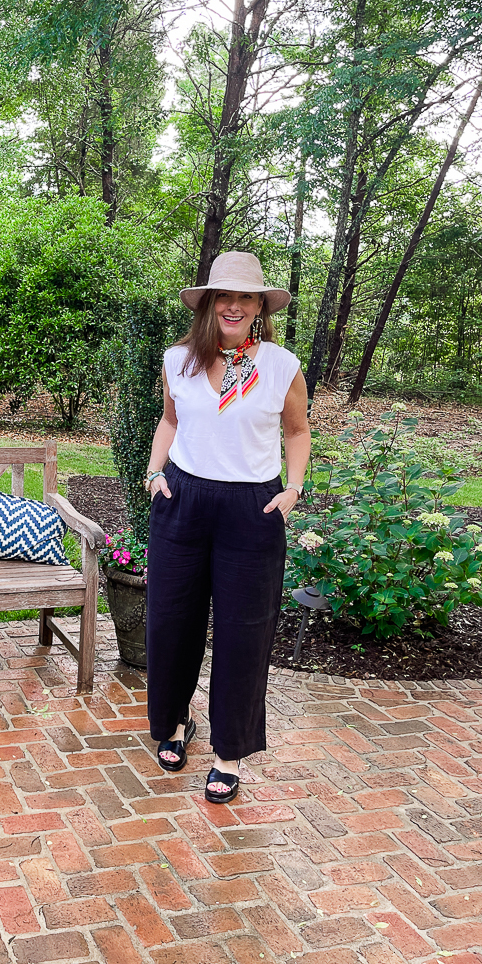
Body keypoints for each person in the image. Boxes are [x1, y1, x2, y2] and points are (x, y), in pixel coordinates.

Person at [144, 251, 310, 803]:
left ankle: (229, 753)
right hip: (183, 500)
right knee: (171, 622)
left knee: (244, 633)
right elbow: (168, 420)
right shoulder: (179, 360)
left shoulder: (281, 365)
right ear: (210, 305)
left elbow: (297, 431)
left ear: (260, 306)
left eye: (246, 297)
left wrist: (292, 489)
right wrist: (154, 473)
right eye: (225, 296)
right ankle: (171, 725)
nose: (234, 306)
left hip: (251, 511)